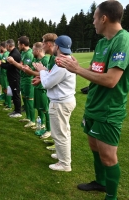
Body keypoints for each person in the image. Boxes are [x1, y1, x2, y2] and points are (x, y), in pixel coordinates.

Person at [58, 1, 129, 199]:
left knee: (108, 157)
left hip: (108, 110)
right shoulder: (102, 42)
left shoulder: (123, 40)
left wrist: (77, 70)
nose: (93, 21)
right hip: (93, 106)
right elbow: (94, 71)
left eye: (94, 17)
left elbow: (111, 80)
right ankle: (100, 182)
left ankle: (111, 196)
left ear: (104, 18)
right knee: (94, 147)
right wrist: (70, 64)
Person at [33, 35, 76, 172]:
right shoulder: (65, 60)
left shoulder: (62, 64)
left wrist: (41, 71)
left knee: (60, 133)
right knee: (63, 131)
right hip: (63, 101)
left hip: (60, 103)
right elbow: (50, 77)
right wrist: (44, 72)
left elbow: (47, 83)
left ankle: (64, 163)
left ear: (57, 46)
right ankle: (61, 155)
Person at [7, 36, 35, 125]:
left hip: (28, 80)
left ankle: (33, 120)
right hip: (22, 79)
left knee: (29, 100)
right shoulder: (23, 53)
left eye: (18, 44)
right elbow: (21, 65)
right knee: (25, 100)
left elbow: (24, 69)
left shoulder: (29, 54)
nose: (17, 45)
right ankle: (28, 117)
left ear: (23, 44)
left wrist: (13, 62)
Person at [0, 39, 22, 118]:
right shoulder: (12, 52)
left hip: (15, 77)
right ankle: (15, 110)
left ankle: (18, 111)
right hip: (12, 77)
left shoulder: (14, 54)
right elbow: (8, 64)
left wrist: (0, 64)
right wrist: (0, 62)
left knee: (16, 94)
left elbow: (9, 66)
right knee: (13, 93)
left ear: (8, 46)